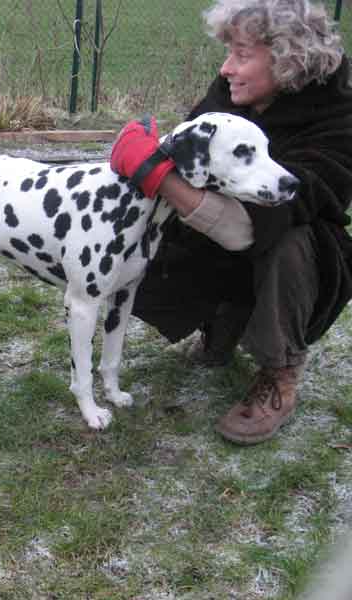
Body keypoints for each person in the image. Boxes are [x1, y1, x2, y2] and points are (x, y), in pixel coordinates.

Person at [109, 0, 352, 445]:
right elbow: (185, 160)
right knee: (144, 229)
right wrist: (154, 162)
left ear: (287, 60)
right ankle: (219, 321)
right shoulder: (232, 92)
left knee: (289, 243)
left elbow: (259, 221)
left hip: (299, 253)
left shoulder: (339, 118)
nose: (226, 68)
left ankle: (280, 371)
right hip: (222, 239)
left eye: (241, 54)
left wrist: (154, 174)